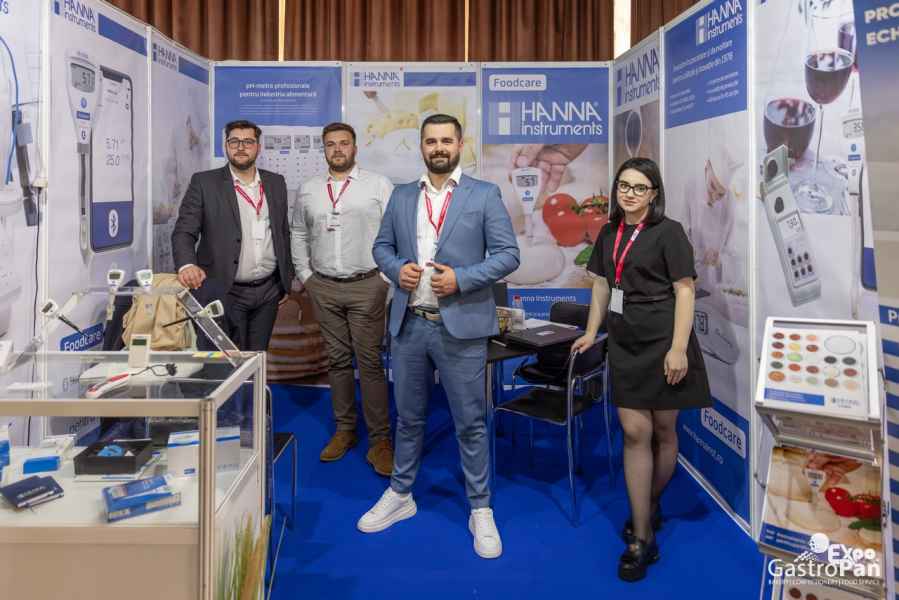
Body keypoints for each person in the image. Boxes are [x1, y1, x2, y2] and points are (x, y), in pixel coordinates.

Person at [358, 114, 519, 559]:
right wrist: (397, 270)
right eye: (431, 141)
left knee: (470, 422)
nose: (439, 148)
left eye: (447, 140)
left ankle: (480, 507)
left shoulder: (484, 194)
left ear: (460, 144)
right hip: (410, 325)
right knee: (408, 419)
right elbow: (381, 248)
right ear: (422, 146)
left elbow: (508, 255)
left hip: (462, 327)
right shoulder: (402, 195)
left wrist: (462, 279)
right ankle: (401, 494)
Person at [570, 157, 712, 582]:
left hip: (665, 339)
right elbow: (602, 284)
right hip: (625, 340)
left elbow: (685, 291)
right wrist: (592, 331)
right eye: (624, 185)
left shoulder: (669, 232)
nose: (629, 193)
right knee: (635, 431)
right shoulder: (609, 232)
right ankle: (642, 538)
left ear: (654, 193)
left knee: (665, 431)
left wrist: (679, 348)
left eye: (639, 187)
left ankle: (647, 505)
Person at [291, 122, 395, 476]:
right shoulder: (309, 189)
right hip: (324, 287)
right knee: (337, 362)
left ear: (355, 148)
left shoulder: (378, 185)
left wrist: (385, 278)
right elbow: (298, 232)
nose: (337, 149)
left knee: (369, 363)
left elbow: (397, 231)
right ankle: (345, 430)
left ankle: (380, 441)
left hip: (367, 285)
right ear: (324, 149)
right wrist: (306, 276)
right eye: (331, 144)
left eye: (344, 143)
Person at [172, 119, 293, 351]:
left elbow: (282, 232)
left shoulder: (276, 182)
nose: (241, 147)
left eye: (248, 142)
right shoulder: (205, 183)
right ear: (226, 146)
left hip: (268, 292)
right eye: (234, 141)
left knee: (258, 356)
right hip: (225, 288)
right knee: (224, 359)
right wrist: (187, 264)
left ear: (258, 147)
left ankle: (254, 379)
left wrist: (285, 279)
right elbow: (184, 231)